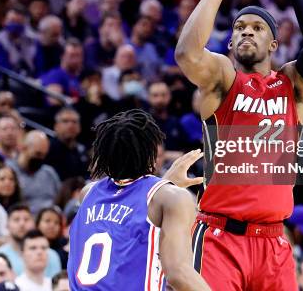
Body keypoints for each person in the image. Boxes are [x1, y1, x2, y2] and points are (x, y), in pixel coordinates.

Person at [174, 0, 303, 290]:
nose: (247, 31)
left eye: (257, 28)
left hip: (274, 242)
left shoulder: (291, 85)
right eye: (240, 28)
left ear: (273, 44)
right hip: (220, 237)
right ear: (229, 43)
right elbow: (186, 53)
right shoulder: (223, 80)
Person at [68, 109, 209, 290]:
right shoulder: (171, 198)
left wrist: (166, 183)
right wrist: (167, 187)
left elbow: (126, 213)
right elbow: (179, 273)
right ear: (151, 153)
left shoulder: (88, 193)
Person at [0, 203, 62, 278]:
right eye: (16, 220)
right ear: (7, 225)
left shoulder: (51, 255)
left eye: (26, 219)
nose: (22, 223)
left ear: (33, 224)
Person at [8, 130, 60, 213]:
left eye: (44, 155)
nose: (40, 159)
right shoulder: (9, 171)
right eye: (38, 154)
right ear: (23, 147)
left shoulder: (49, 173)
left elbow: (60, 200)